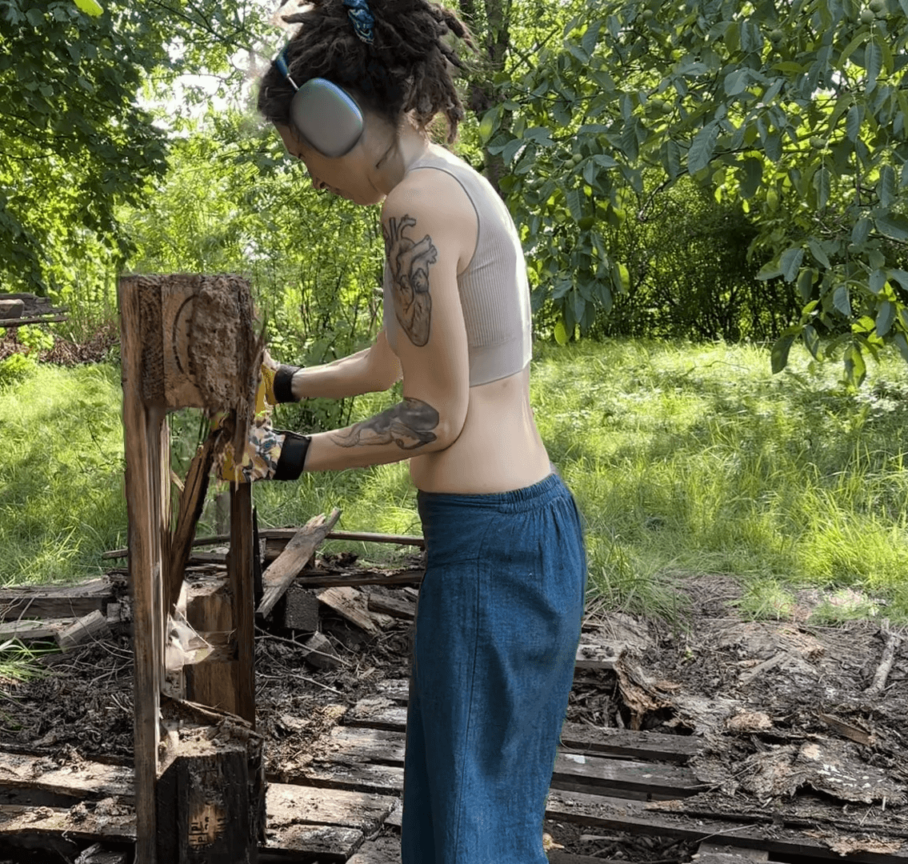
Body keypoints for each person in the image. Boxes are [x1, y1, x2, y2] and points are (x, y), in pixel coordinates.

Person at [237, 0, 588, 860]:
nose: (311, 178)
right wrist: (282, 384)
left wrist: (286, 456)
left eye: (302, 155)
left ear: (333, 119)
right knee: (468, 817)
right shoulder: (440, 183)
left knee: (473, 834)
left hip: (494, 551)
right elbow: (390, 361)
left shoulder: (414, 208)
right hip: (511, 538)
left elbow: (435, 415)